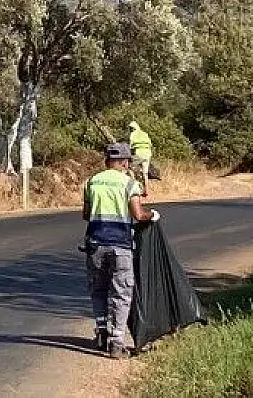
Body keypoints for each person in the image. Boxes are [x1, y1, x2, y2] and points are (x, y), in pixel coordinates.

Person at [83, 142, 159, 358]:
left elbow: (87, 214)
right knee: (121, 293)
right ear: (125, 162)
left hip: (95, 244)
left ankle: (101, 333)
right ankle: (117, 342)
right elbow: (138, 214)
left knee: (98, 290)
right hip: (121, 246)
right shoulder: (129, 184)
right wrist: (152, 215)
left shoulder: (91, 182)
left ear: (107, 161)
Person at [128, 121, 153, 194]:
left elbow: (130, 146)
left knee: (129, 167)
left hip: (139, 153)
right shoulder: (145, 133)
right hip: (148, 154)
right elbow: (150, 144)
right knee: (145, 173)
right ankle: (146, 190)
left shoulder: (133, 134)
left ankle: (133, 187)